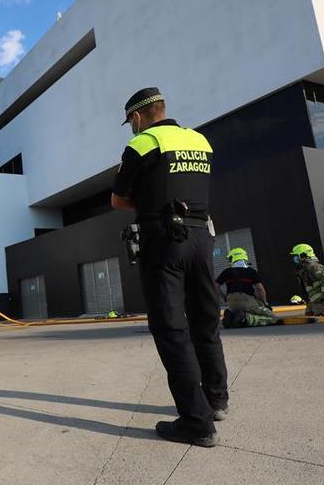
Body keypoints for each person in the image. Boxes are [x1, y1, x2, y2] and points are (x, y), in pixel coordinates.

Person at [111, 87, 228, 447]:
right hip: (201, 235)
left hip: (163, 239)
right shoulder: (199, 140)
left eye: (130, 122)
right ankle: (216, 398)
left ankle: (196, 423)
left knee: (171, 327)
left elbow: (118, 199)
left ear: (136, 117)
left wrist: (152, 204)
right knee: (205, 318)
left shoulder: (143, 143)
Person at [216, 248, 279, 328]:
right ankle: (247, 318)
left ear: (232, 258)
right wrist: (265, 303)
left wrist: (224, 297)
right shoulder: (251, 271)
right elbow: (260, 289)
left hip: (231, 304)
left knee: (249, 308)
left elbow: (215, 286)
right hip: (248, 302)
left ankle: (232, 317)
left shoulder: (226, 271)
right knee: (273, 318)